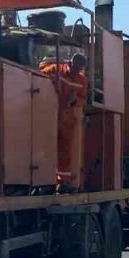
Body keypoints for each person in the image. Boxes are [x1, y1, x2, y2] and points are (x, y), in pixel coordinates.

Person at [39, 52, 89, 184]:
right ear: (70, 63)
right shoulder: (55, 70)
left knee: (64, 149)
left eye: (79, 69)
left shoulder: (82, 80)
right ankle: (44, 178)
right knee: (45, 146)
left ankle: (63, 180)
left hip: (66, 118)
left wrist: (75, 100)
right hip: (48, 114)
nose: (76, 71)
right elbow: (38, 76)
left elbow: (83, 99)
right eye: (75, 68)